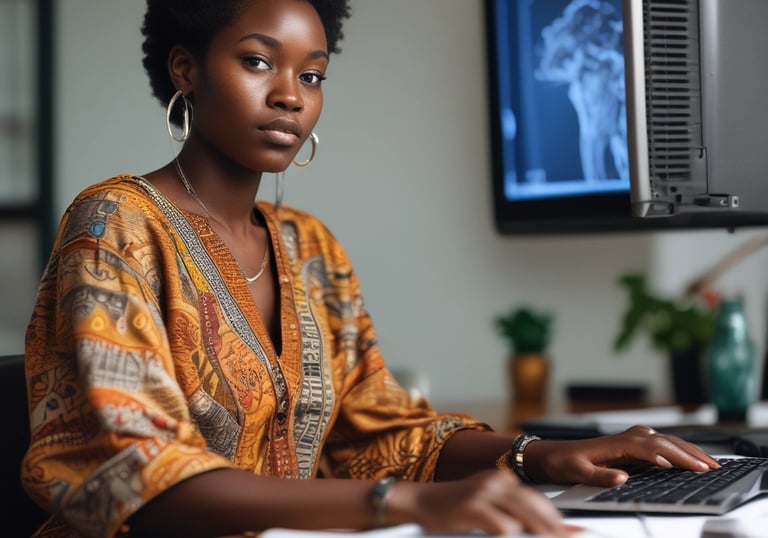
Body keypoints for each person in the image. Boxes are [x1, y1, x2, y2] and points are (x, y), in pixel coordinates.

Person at [20, 1, 719, 537]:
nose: (291, 95)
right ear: (185, 70)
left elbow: (379, 432)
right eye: (259, 62)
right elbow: (137, 476)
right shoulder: (114, 225)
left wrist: (542, 452)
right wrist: (404, 502)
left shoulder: (310, 248)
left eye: (312, 73)